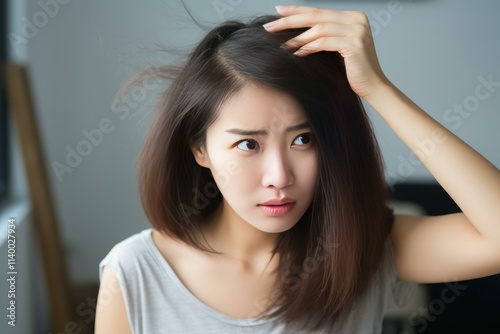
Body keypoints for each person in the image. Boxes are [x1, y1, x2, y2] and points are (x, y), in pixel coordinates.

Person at [94, 5, 500, 333]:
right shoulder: (134, 276)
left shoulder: (364, 246)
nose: (280, 176)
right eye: (248, 144)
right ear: (200, 149)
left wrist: (378, 88)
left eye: (303, 140)